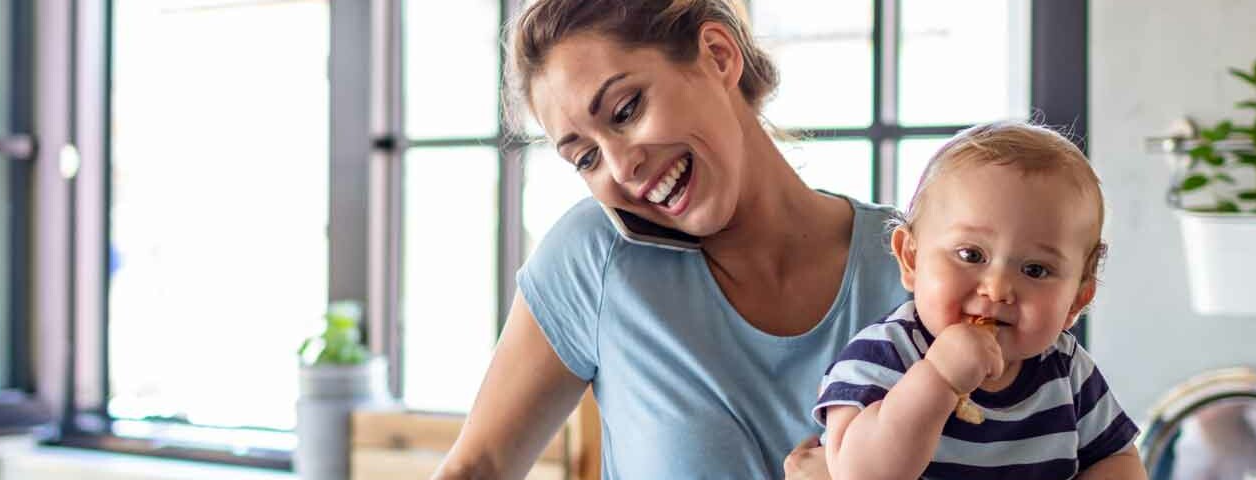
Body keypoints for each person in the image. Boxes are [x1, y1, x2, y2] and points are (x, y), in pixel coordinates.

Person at [434, 1, 907, 478]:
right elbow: (479, 467)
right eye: (586, 158)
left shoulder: (919, 264)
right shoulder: (595, 260)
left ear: (718, 56)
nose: (620, 168)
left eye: (625, 110)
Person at [813, 122, 1146, 479]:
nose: (998, 288)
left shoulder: (1067, 370)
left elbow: (1118, 460)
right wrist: (939, 378)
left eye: (1035, 269)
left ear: (1077, 300)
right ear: (911, 259)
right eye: (971, 255)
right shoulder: (886, 355)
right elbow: (860, 474)